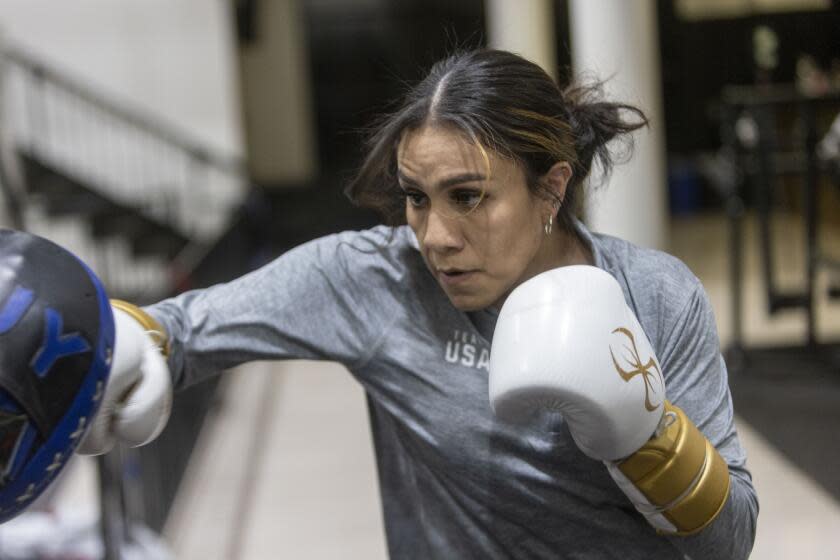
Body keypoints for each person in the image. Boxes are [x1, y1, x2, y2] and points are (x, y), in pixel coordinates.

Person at [78, 49, 758, 559]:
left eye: (468, 198)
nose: (434, 236)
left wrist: (647, 442)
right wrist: (129, 349)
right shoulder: (377, 280)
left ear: (551, 189)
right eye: (416, 197)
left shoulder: (657, 296)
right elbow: (184, 329)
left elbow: (730, 541)